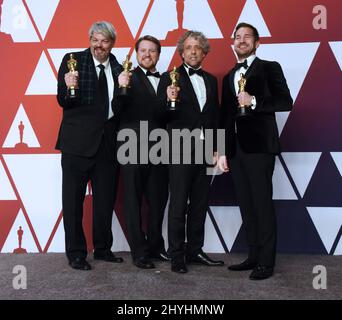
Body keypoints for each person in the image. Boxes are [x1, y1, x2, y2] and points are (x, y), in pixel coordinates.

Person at [218, 22, 293, 280]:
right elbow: (226, 117)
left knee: (261, 204)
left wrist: (254, 101)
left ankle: (266, 262)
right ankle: (253, 255)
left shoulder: (270, 67)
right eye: (237, 37)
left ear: (257, 42)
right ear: (233, 43)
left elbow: (286, 101)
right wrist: (222, 152)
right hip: (237, 151)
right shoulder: (230, 76)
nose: (241, 40)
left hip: (260, 148)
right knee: (246, 205)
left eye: (246, 37)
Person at [56, 21, 124, 270]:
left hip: (108, 144)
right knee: (72, 202)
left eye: (104, 40)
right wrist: (68, 84)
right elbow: (63, 101)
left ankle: (103, 248)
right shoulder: (72, 60)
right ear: (90, 40)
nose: (99, 45)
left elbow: (122, 108)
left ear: (111, 43)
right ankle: (75, 253)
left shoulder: (119, 67)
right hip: (77, 144)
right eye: (95, 39)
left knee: (105, 201)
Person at [158, 30, 224, 273]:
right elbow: (160, 116)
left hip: (206, 149)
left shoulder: (210, 80)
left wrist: (219, 147)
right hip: (179, 149)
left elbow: (214, 115)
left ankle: (194, 250)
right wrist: (167, 100)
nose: (193, 51)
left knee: (199, 202)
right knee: (178, 204)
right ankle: (177, 255)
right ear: (181, 52)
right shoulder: (169, 78)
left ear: (204, 52)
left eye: (197, 47)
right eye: (188, 47)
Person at [115, 35, 169, 269]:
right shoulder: (128, 76)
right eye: (143, 51)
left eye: (152, 51)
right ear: (136, 54)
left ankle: (156, 247)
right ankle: (139, 251)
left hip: (160, 146)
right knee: (133, 200)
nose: (147, 55)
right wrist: (121, 87)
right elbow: (117, 109)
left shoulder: (168, 79)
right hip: (131, 146)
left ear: (159, 54)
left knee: (158, 200)